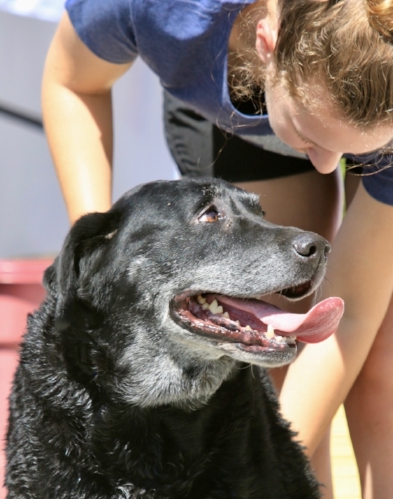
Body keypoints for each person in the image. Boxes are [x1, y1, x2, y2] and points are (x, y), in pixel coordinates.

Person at [41, 0, 393, 497]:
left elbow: (349, 310)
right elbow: (72, 83)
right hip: (228, 111)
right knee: (267, 344)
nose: (327, 167)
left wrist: (267, 465)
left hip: (371, 135)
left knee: (383, 354)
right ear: (266, 45)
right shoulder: (159, 9)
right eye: (313, 138)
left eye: (346, 150)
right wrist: (101, 250)